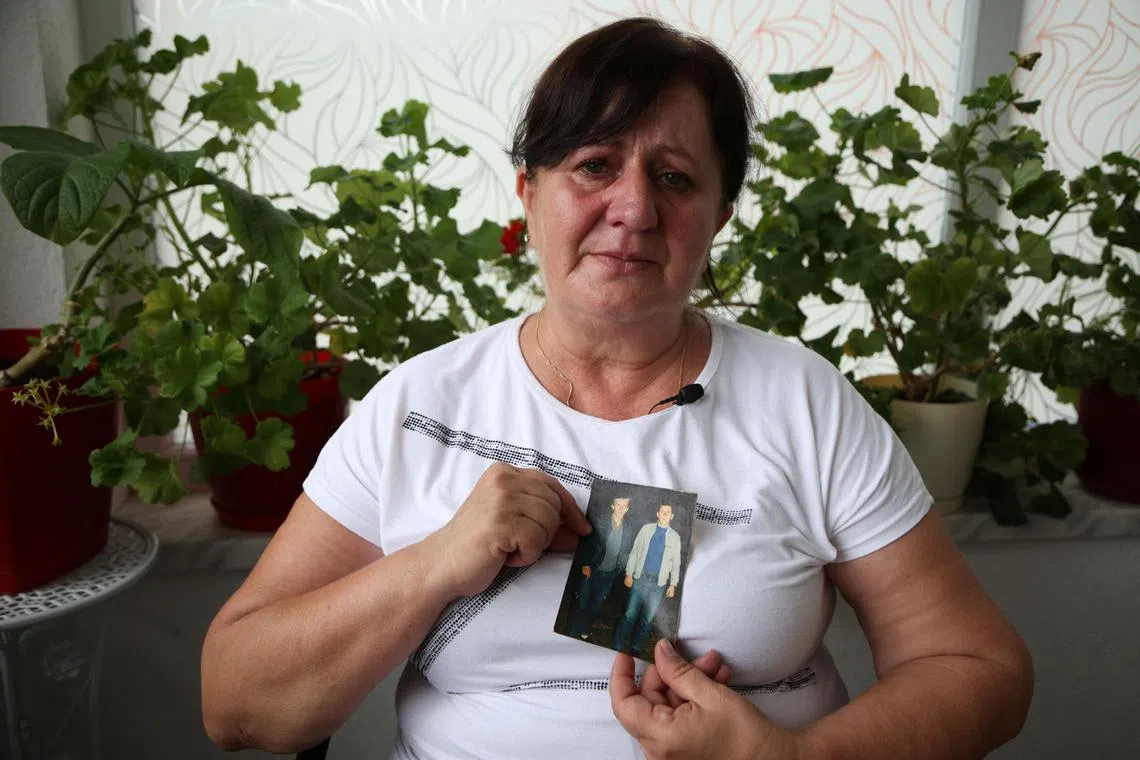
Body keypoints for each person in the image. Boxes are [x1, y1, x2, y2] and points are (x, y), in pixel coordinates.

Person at [201, 16, 1033, 760]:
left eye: (674, 178)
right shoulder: (420, 407)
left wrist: (786, 759)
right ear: (529, 192)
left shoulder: (806, 406)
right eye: (595, 165)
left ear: (720, 216)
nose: (633, 207)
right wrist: (435, 564)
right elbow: (235, 704)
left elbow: (978, 667)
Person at [614, 503, 682, 655]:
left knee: (647, 619)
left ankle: (636, 649)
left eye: (668, 512)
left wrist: (673, 584)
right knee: (629, 614)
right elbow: (635, 552)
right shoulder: (646, 529)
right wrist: (629, 573)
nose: (665, 514)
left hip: (659, 583)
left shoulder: (675, 537)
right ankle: (618, 646)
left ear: (672, 516)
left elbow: (676, 563)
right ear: (658, 513)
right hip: (641, 578)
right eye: (662, 511)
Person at [567, 496, 634, 639]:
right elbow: (587, 541)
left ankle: (584, 630)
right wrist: (586, 563)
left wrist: (625, 570)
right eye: (618, 504)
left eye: (624, 506)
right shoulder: (601, 521)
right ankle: (572, 632)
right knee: (582, 601)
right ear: (612, 506)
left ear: (627, 509)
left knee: (596, 604)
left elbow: (626, 550)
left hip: (610, 574)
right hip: (592, 569)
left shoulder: (628, 528)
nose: (621, 508)